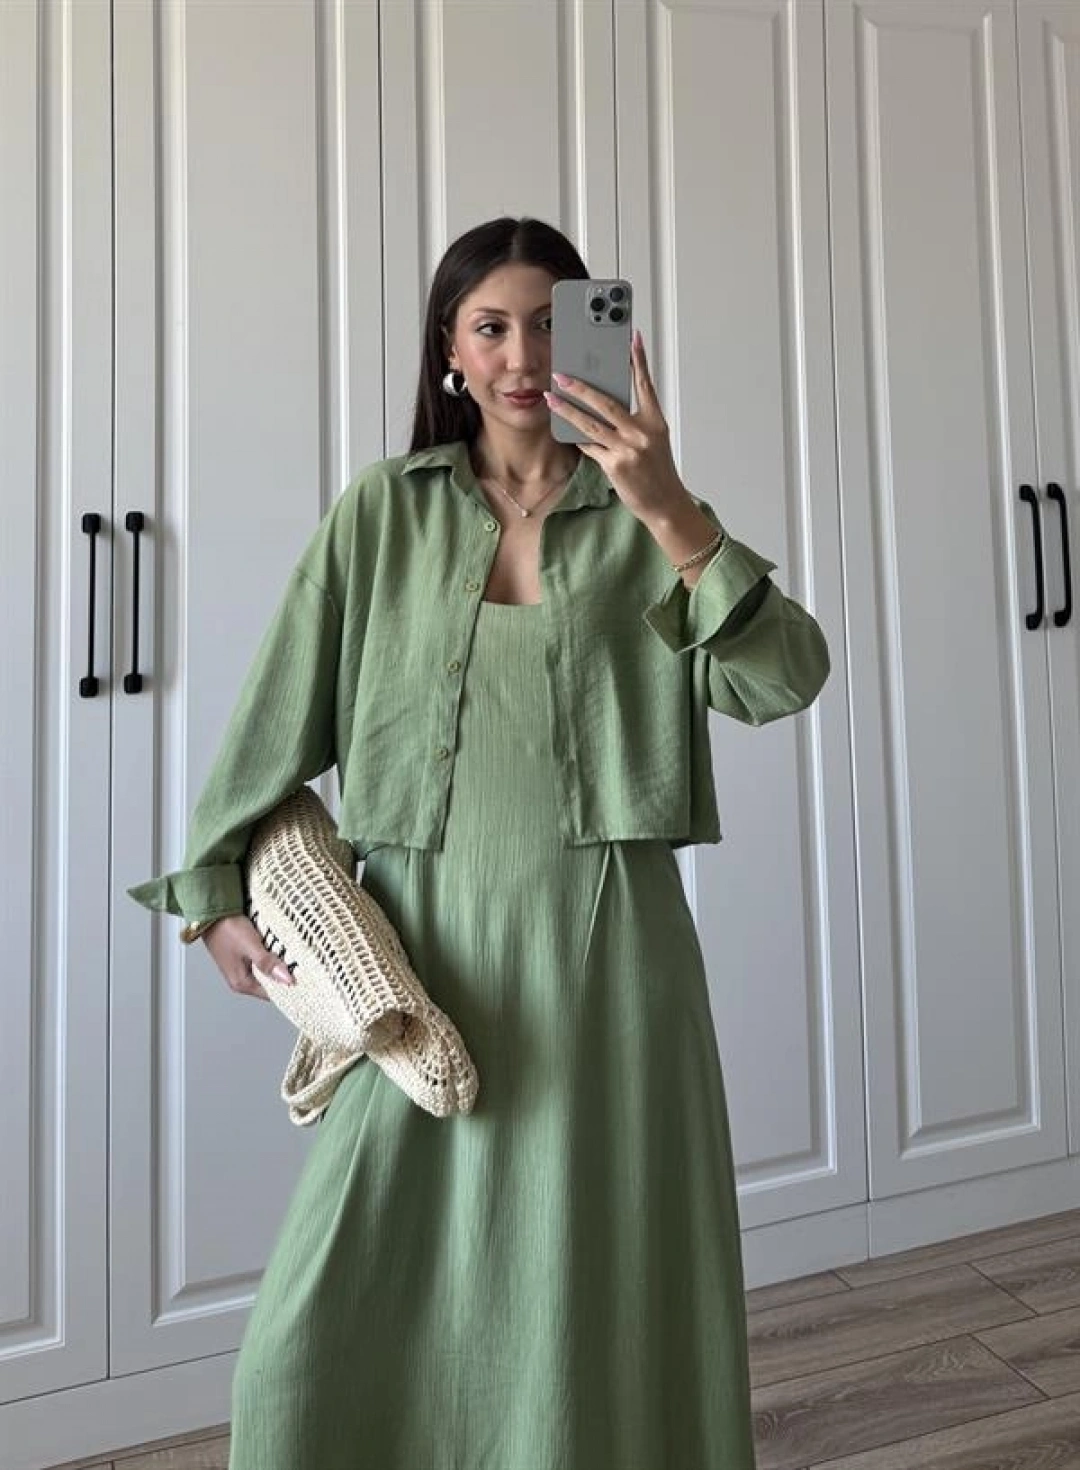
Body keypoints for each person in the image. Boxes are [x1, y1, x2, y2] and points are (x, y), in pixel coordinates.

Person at [129, 215, 829, 1469]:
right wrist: (214, 890)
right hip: (415, 960)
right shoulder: (381, 514)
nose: (523, 355)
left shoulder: (648, 518)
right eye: (492, 326)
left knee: (586, 1286)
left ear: (601, 337)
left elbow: (783, 679)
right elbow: (279, 708)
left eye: (553, 324)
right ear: (449, 350)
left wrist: (669, 508)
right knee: (307, 1333)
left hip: (611, 963)